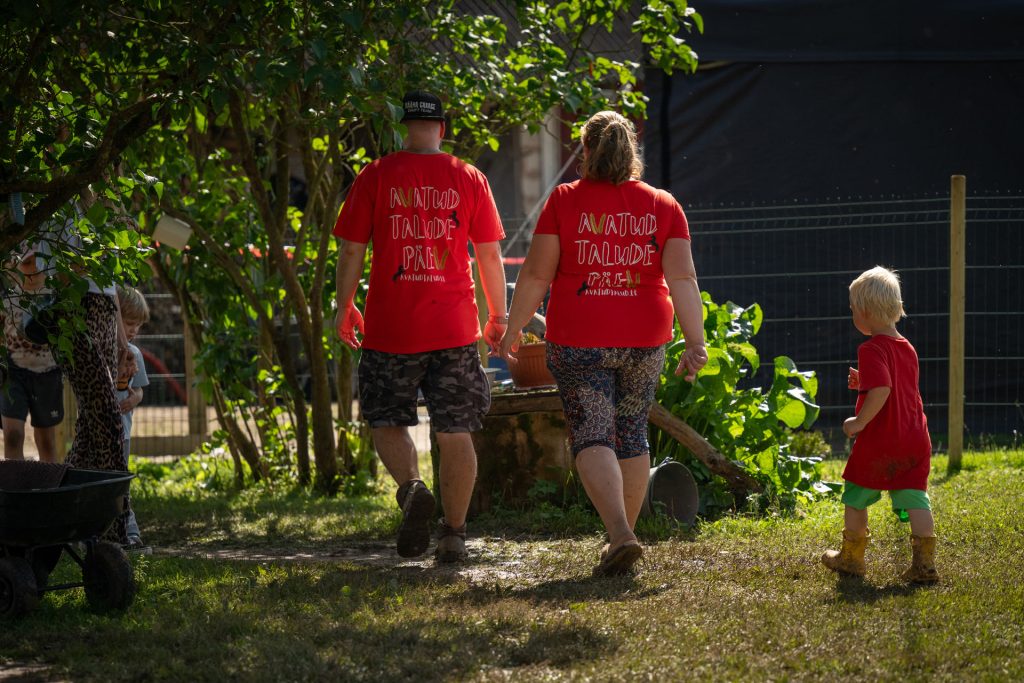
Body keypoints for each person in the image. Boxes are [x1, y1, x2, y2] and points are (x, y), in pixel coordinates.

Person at [499, 110, 707, 577]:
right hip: (644, 338)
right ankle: (622, 538)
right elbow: (683, 277)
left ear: (586, 152)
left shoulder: (565, 201)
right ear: (631, 153)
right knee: (631, 431)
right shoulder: (664, 205)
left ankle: (620, 535)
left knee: (593, 431)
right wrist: (695, 341)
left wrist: (512, 330)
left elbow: (535, 274)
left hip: (581, 337)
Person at [334, 90, 507, 563]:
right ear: (443, 129)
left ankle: (412, 490)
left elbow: (352, 249)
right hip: (454, 328)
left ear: (402, 126)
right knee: (456, 430)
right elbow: (488, 254)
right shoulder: (468, 177)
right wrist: (498, 317)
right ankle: (453, 533)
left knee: (387, 418)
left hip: (391, 328)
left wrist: (344, 304)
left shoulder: (377, 174)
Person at [27, 198, 136, 544]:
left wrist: (122, 344)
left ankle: (63, 512)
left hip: (104, 312)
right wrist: (88, 264)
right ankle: (117, 526)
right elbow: (58, 276)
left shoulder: (102, 218)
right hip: (74, 313)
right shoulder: (57, 211)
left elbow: (111, 288)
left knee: (92, 425)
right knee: (107, 416)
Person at [822, 266, 938, 583]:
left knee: (855, 495)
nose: (852, 315)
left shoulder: (870, 348)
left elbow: (884, 391)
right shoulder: (907, 346)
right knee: (915, 496)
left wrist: (858, 421)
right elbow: (898, 385)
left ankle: (851, 558)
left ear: (865, 312)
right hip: (914, 436)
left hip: (881, 440)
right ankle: (924, 564)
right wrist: (866, 381)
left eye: (852, 310)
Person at [0, 252, 64, 462]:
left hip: (48, 372)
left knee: (47, 440)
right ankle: (15, 491)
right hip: (13, 371)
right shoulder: (8, 296)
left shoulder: (56, 294)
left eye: (38, 261)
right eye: (26, 262)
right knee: (12, 436)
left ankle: (48, 491)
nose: (33, 268)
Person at [115, 285, 151, 548]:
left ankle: (130, 531)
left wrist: (134, 398)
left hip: (123, 432)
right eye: (129, 323)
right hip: (101, 429)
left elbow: (138, 389)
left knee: (120, 482)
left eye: (137, 325)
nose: (133, 330)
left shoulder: (134, 354)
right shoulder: (106, 351)